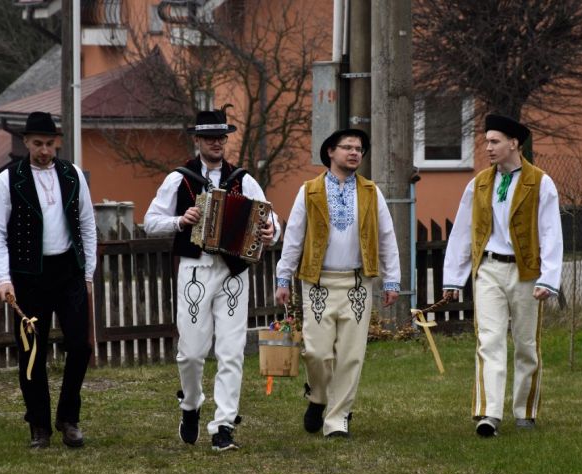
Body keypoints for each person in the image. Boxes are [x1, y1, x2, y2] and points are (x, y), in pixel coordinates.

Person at [144, 108, 280, 452]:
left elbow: (270, 219)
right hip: (194, 268)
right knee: (190, 353)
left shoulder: (243, 179)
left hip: (233, 271)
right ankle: (190, 404)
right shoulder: (180, 179)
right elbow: (149, 221)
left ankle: (223, 426)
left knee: (231, 351)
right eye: (209, 137)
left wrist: (270, 230)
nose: (216, 143)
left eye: (221, 137)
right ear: (198, 140)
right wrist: (180, 219)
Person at [274, 128, 401, 438]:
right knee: (316, 353)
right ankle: (318, 397)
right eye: (347, 147)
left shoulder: (371, 192)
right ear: (330, 152)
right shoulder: (309, 191)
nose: (354, 152)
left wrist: (391, 280)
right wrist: (283, 277)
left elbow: (386, 236)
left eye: (359, 148)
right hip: (317, 282)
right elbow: (293, 237)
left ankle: (337, 418)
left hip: (358, 283)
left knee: (351, 354)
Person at [443, 114, 563, 437]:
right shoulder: (479, 183)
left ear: (514, 143)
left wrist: (548, 278)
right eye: (486, 141)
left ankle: (525, 412)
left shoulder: (541, 182)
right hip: (489, 270)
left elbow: (551, 231)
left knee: (526, 344)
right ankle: (488, 412)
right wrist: (454, 278)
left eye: (495, 141)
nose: (488, 147)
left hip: (526, 273)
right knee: (489, 340)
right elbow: (463, 231)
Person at [0, 111, 97, 448]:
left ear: (56, 143)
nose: (44, 150)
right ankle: (39, 425)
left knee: (80, 346)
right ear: (26, 143)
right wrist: (3, 279)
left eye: (49, 144)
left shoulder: (72, 174)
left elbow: (88, 225)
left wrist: (87, 272)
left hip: (69, 273)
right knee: (32, 353)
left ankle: (68, 418)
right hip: (28, 277)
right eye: (38, 144)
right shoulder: (8, 180)